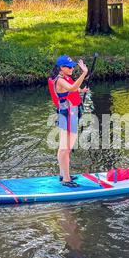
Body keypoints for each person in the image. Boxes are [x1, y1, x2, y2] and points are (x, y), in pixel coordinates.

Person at [50, 55, 89, 187]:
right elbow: (71, 88)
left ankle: (63, 174)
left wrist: (81, 90)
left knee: (65, 148)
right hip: (66, 116)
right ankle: (66, 180)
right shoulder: (60, 80)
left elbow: (72, 87)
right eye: (70, 66)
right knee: (65, 149)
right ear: (61, 68)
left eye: (73, 66)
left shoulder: (65, 78)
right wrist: (84, 73)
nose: (72, 68)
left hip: (70, 115)